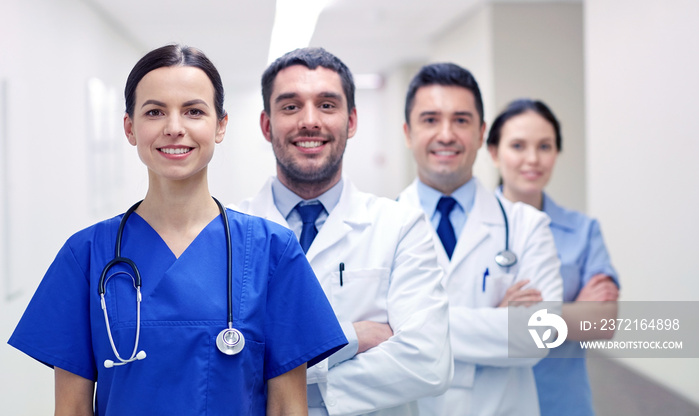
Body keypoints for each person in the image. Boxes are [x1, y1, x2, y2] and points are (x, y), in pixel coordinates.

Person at [8, 44, 347, 416]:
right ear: (129, 127)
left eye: (194, 111)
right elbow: (71, 410)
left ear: (220, 126)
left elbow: (288, 408)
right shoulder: (86, 255)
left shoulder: (273, 252)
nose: (174, 128)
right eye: (155, 112)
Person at [235, 47, 452, 416]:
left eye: (327, 105)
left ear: (351, 121)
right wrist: (352, 338)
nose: (309, 121)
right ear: (266, 125)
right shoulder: (228, 231)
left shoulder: (400, 226)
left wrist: (285, 378)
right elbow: (222, 362)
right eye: (290, 106)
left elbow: (428, 363)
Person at [398, 63, 563, 416]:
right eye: (430, 120)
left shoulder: (527, 226)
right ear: (408, 133)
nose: (446, 134)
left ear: (480, 133)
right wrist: (495, 321)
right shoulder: (378, 228)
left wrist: (404, 326)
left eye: (461, 120)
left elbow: (540, 335)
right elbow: (360, 340)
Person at [487, 98, 620, 416]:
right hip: (490, 401)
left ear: (557, 152)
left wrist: (509, 316)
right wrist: (570, 314)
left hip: (562, 402)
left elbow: (603, 321)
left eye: (545, 146)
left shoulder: (582, 229)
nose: (532, 159)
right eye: (518, 145)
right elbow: (450, 320)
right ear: (494, 152)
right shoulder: (470, 227)